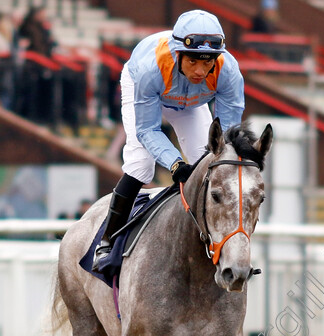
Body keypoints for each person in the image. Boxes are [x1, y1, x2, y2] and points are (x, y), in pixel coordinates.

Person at [91, 10, 245, 270]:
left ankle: (214, 243)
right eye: (194, 61)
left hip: (191, 103)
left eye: (208, 62)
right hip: (148, 90)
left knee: (210, 166)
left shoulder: (228, 71)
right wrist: (175, 164)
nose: (200, 70)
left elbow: (227, 137)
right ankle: (107, 241)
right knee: (141, 164)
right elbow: (147, 130)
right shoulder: (150, 70)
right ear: (178, 53)